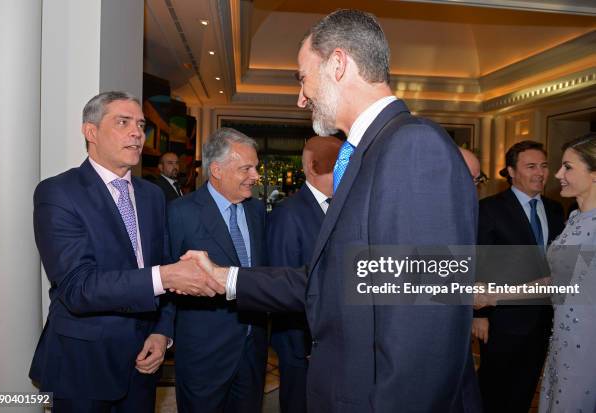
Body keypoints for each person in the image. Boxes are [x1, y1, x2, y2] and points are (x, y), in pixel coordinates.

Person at [184, 9, 480, 412]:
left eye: (303, 78)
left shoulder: (412, 148)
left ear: (338, 64)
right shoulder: (369, 152)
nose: (300, 97)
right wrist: (225, 279)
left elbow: (423, 328)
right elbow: (328, 280)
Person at [29, 91, 222, 412]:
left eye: (140, 124)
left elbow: (162, 267)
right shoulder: (58, 192)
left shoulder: (151, 195)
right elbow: (78, 288)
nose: (137, 133)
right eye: (123, 122)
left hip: (142, 363)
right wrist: (164, 276)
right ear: (91, 132)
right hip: (84, 366)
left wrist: (162, 333)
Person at [167, 128, 268, 413]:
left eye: (255, 167)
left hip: (253, 349)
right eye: (246, 168)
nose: (256, 176)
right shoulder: (181, 212)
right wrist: (161, 333)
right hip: (204, 355)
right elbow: (167, 279)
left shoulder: (257, 211)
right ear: (217, 170)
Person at [473, 140, 565, 413]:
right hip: (502, 317)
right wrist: (479, 315)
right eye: (531, 166)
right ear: (511, 171)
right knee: (493, 389)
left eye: (544, 166)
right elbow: (479, 262)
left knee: (524, 389)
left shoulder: (554, 209)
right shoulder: (489, 208)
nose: (540, 173)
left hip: (544, 319)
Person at [267, 136, 342, 413]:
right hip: (302, 341)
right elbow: (284, 284)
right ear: (313, 166)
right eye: (338, 164)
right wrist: (306, 342)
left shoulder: (342, 207)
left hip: (333, 336)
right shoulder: (289, 213)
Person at [538, 133, 596, 412]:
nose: (558, 174)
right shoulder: (573, 218)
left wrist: (494, 295)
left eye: (568, 167)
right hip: (564, 337)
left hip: (588, 342)